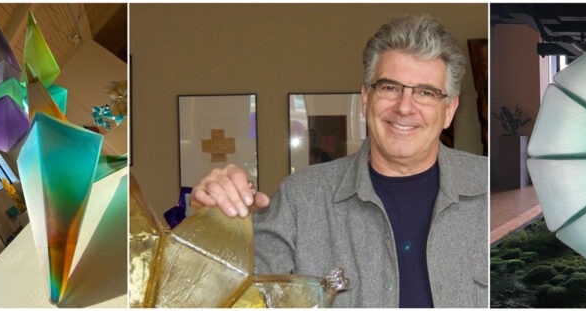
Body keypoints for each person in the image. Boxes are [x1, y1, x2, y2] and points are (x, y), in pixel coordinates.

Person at [191, 14, 486, 308]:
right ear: (366, 98)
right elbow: (225, 298)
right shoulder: (300, 200)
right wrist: (212, 230)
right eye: (389, 87)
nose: (405, 107)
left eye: (425, 92)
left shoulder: (492, 189)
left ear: (449, 110)